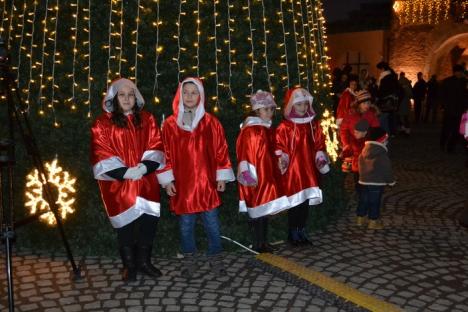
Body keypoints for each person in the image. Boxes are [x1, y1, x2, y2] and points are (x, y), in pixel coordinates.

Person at [158, 77, 235, 278]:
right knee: (185, 225)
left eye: (194, 92)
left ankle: (215, 255)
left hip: (207, 184)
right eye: (186, 92)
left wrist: (222, 176)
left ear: (200, 96)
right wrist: (167, 180)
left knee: (212, 224)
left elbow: (221, 150)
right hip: (184, 186)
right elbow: (164, 153)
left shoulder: (211, 123)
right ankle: (189, 256)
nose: (189, 96)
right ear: (179, 95)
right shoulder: (170, 125)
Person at [91, 78, 165, 282]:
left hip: (146, 181)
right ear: (114, 98)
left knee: (148, 222)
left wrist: (143, 167)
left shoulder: (147, 119)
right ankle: (129, 265)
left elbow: (156, 144)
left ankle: (144, 262)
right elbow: (101, 151)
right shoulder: (102, 123)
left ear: (136, 97)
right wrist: (124, 172)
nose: (126, 98)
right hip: (120, 185)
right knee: (126, 227)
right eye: (122, 95)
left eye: (130, 94)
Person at [236, 90, 291, 253]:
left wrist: (280, 161)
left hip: (267, 175)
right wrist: (246, 172)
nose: (270, 112)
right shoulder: (251, 130)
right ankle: (257, 243)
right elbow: (245, 152)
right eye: (265, 109)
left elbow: (272, 149)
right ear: (256, 111)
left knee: (264, 210)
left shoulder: (266, 129)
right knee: (258, 210)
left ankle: (263, 242)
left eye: (271, 109)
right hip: (256, 176)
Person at [276, 87, 330, 247]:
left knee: (305, 203)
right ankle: (292, 233)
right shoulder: (285, 127)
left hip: (308, 171)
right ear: (292, 105)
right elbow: (280, 146)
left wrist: (320, 156)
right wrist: (283, 159)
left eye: (305, 104)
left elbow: (319, 143)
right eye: (299, 105)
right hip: (293, 172)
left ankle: (301, 230)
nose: (303, 108)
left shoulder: (313, 125)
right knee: (295, 203)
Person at [358, 127, 396, 229]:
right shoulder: (382, 154)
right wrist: (391, 181)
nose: (386, 141)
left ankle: (360, 218)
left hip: (364, 181)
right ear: (381, 140)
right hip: (376, 182)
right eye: (385, 139)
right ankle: (373, 221)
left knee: (364, 199)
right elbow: (386, 169)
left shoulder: (363, 151)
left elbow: (360, 165)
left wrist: (363, 177)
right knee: (375, 201)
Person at [340, 90, 380, 175]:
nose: (367, 105)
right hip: (353, 147)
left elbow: (376, 130)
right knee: (356, 171)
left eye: (368, 103)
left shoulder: (371, 115)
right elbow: (343, 130)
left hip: (365, 147)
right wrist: (346, 144)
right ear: (359, 104)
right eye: (364, 103)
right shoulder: (350, 114)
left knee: (366, 170)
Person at [439, 64, 468, 153]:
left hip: (459, 110)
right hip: (449, 109)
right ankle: (443, 144)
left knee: (457, 130)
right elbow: (442, 95)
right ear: (455, 72)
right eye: (458, 72)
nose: (459, 73)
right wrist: (443, 106)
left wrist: (466, 107)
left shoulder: (464, 82)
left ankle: (450, 147)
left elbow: (466, 96)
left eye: (460, 72)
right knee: (446, 129)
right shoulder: (447, 81)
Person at [376, 61, 399, 135]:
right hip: (392, 99)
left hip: (386, 100)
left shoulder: (385, 77)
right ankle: (392, 132)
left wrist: (378, 96)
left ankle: (386, 133)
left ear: (382, 68)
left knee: (385, 117)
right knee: (391, 116)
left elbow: (382, 90)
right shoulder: (392, 75)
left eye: (380, 69)